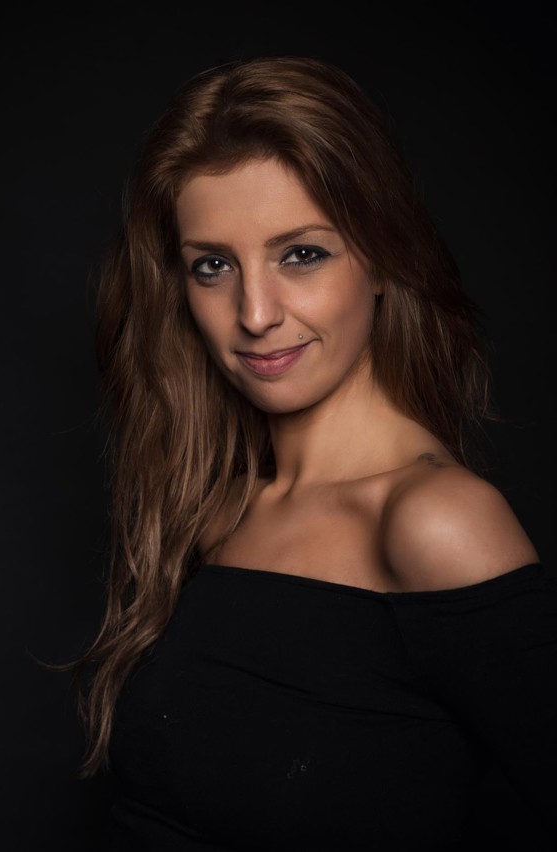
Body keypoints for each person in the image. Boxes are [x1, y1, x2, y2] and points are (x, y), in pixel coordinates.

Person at [72, 55, 557, 851]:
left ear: (384, 258)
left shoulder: (436, 523)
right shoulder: (218, 511)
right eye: (213, 266)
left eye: (301, 253)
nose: (255, 313)